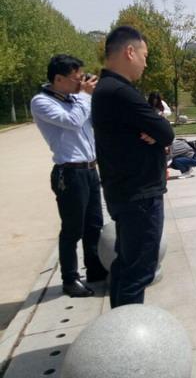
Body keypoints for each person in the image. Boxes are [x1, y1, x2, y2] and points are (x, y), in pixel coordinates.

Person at [92, 26, 175, 308]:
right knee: (138, 270)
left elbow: (158, 131)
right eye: (144, 55)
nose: (145, 63)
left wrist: (155, 131)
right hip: (138, 194)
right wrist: (157, 132)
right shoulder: (119, 92)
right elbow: (165, 132)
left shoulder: (108, 89)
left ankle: (118, 325)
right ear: (129, 52)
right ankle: (126, 329)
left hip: (126, 191)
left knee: (125, 265)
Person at [31, 55, 108, 297]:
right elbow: (73, 121)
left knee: (94, 224)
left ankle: (95, 269)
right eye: (76, 78)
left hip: (90, 169)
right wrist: (84, 95)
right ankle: (70, 279)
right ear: (58, 79)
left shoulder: (75, 99)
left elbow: (94, 121)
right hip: (70, 172)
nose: (81, 82)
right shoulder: (41, 102)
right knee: (72, 229)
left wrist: (93, 96)